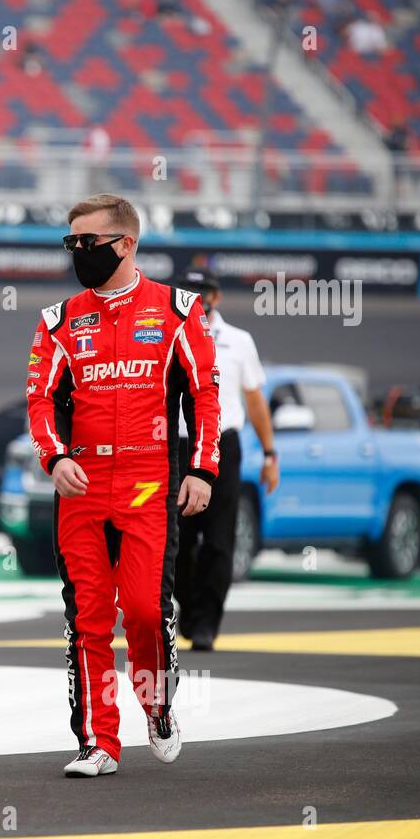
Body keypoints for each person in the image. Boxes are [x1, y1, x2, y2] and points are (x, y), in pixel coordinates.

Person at [26, 194, 221, 778]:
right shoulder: (58, 322)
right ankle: (98, 741)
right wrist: (53, 459)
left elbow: (206, 396)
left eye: (89, 242)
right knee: (87, 615)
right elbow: (39, 401)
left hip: (148, 484)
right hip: (81, 486)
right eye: (72, 243)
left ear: (127, 243)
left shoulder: (178, 311)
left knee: (140, 608)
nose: (79, 253)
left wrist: (202, 469)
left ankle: (158, 707)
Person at [173, 269, 279, 651]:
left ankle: (206, 623)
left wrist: (270, 454)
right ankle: (186, 606)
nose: (196, 298)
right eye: (188, 291)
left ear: (215, 297)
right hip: (179, 445)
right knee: (178, 540)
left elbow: (255, 401)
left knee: (219, 539)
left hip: (223, 444)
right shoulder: (166, 334)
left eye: (202, 292)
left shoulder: (238, 340)